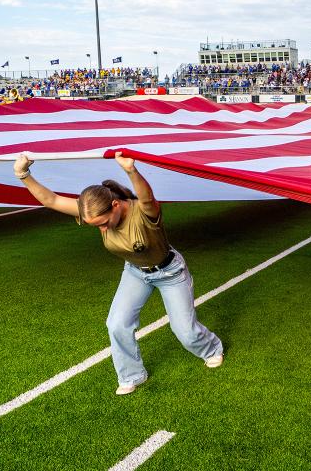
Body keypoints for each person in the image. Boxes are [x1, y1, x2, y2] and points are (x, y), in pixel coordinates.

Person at [13, 152, 224, 395]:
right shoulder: (94, 211)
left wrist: (131, 171)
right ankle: (132, 375)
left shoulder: (143, 213)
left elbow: (147, 198)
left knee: (185, 332)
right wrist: (23, 174)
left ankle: (212, 349)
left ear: (115, 205)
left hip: (169, 272)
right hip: (135, 272)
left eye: (103, 223)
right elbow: (51, 200)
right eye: (96, 226)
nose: (102, 229)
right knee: (116, 324)